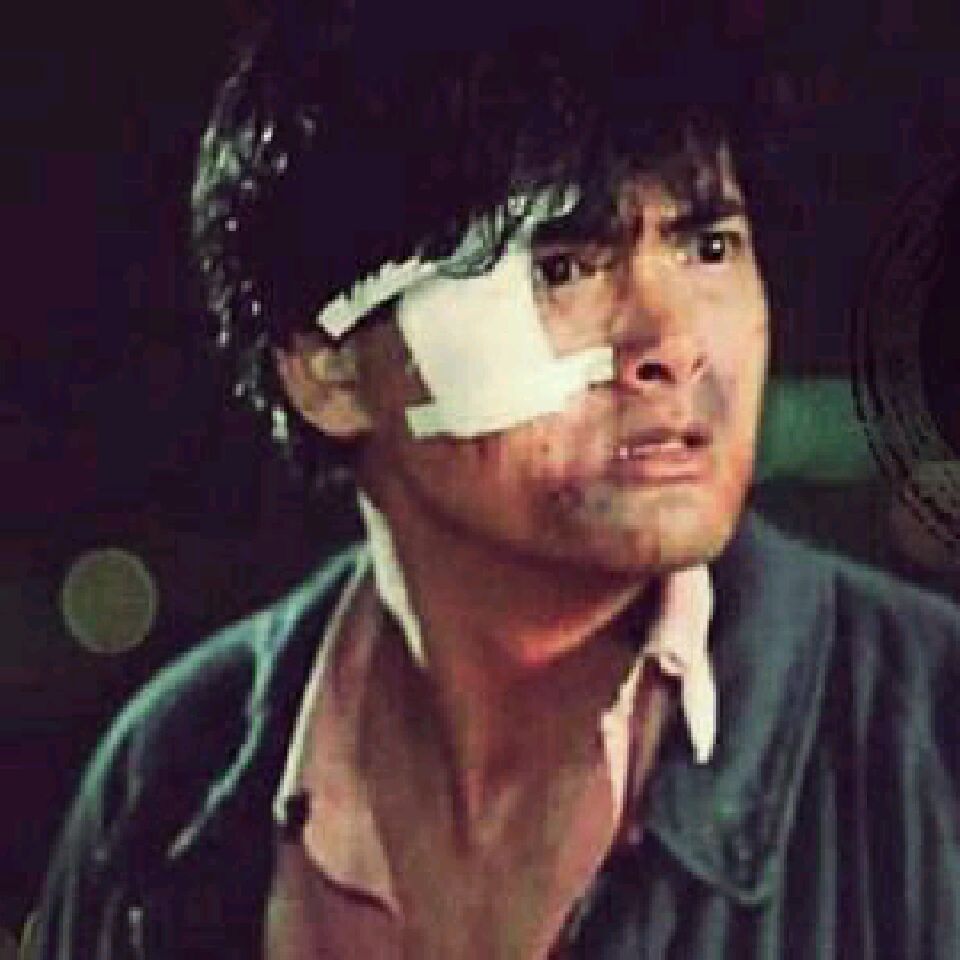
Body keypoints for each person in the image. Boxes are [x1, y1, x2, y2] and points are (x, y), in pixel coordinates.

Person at [34, 3, 960, 957]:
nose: (675, 341)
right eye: (562, 267)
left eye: (708, 246)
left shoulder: (931, 749)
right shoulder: (167, 790)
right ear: (329, 370)